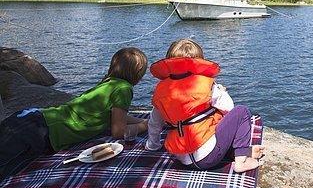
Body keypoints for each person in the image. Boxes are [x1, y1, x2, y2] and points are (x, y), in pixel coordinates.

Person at [0, 47, 148, 179]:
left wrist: (144, 121)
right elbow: (119, 131)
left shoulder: (109, 84)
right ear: (138, 73)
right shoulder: (124, 89)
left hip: (35, 121)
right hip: (40, 130)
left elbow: (116, 116)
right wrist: (146, 127)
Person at [145, 38, 264, 173]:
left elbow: (154, 123)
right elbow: (229, 108)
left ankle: (237, 152)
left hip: (182, 158)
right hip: (209, 157)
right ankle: (242, 160)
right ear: (199, 62)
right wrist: (220, 90)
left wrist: (152, 146)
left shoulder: (163, 91)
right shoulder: (205, 85)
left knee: (205, 124)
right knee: (241, 112)